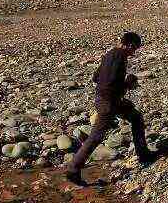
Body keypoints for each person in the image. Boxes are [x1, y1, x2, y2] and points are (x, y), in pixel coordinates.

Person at [66, 32, 155, 186]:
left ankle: (143, 154)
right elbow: (111, 83)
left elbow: (96, 77)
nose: (133, 52)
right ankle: (73, 170)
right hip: (108, 102)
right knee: (96, 136)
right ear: (129, 45)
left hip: (109, 100)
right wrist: (128, 83)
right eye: (134, 49)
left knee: (136, 117)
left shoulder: (110, 54)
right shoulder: (119, 56)